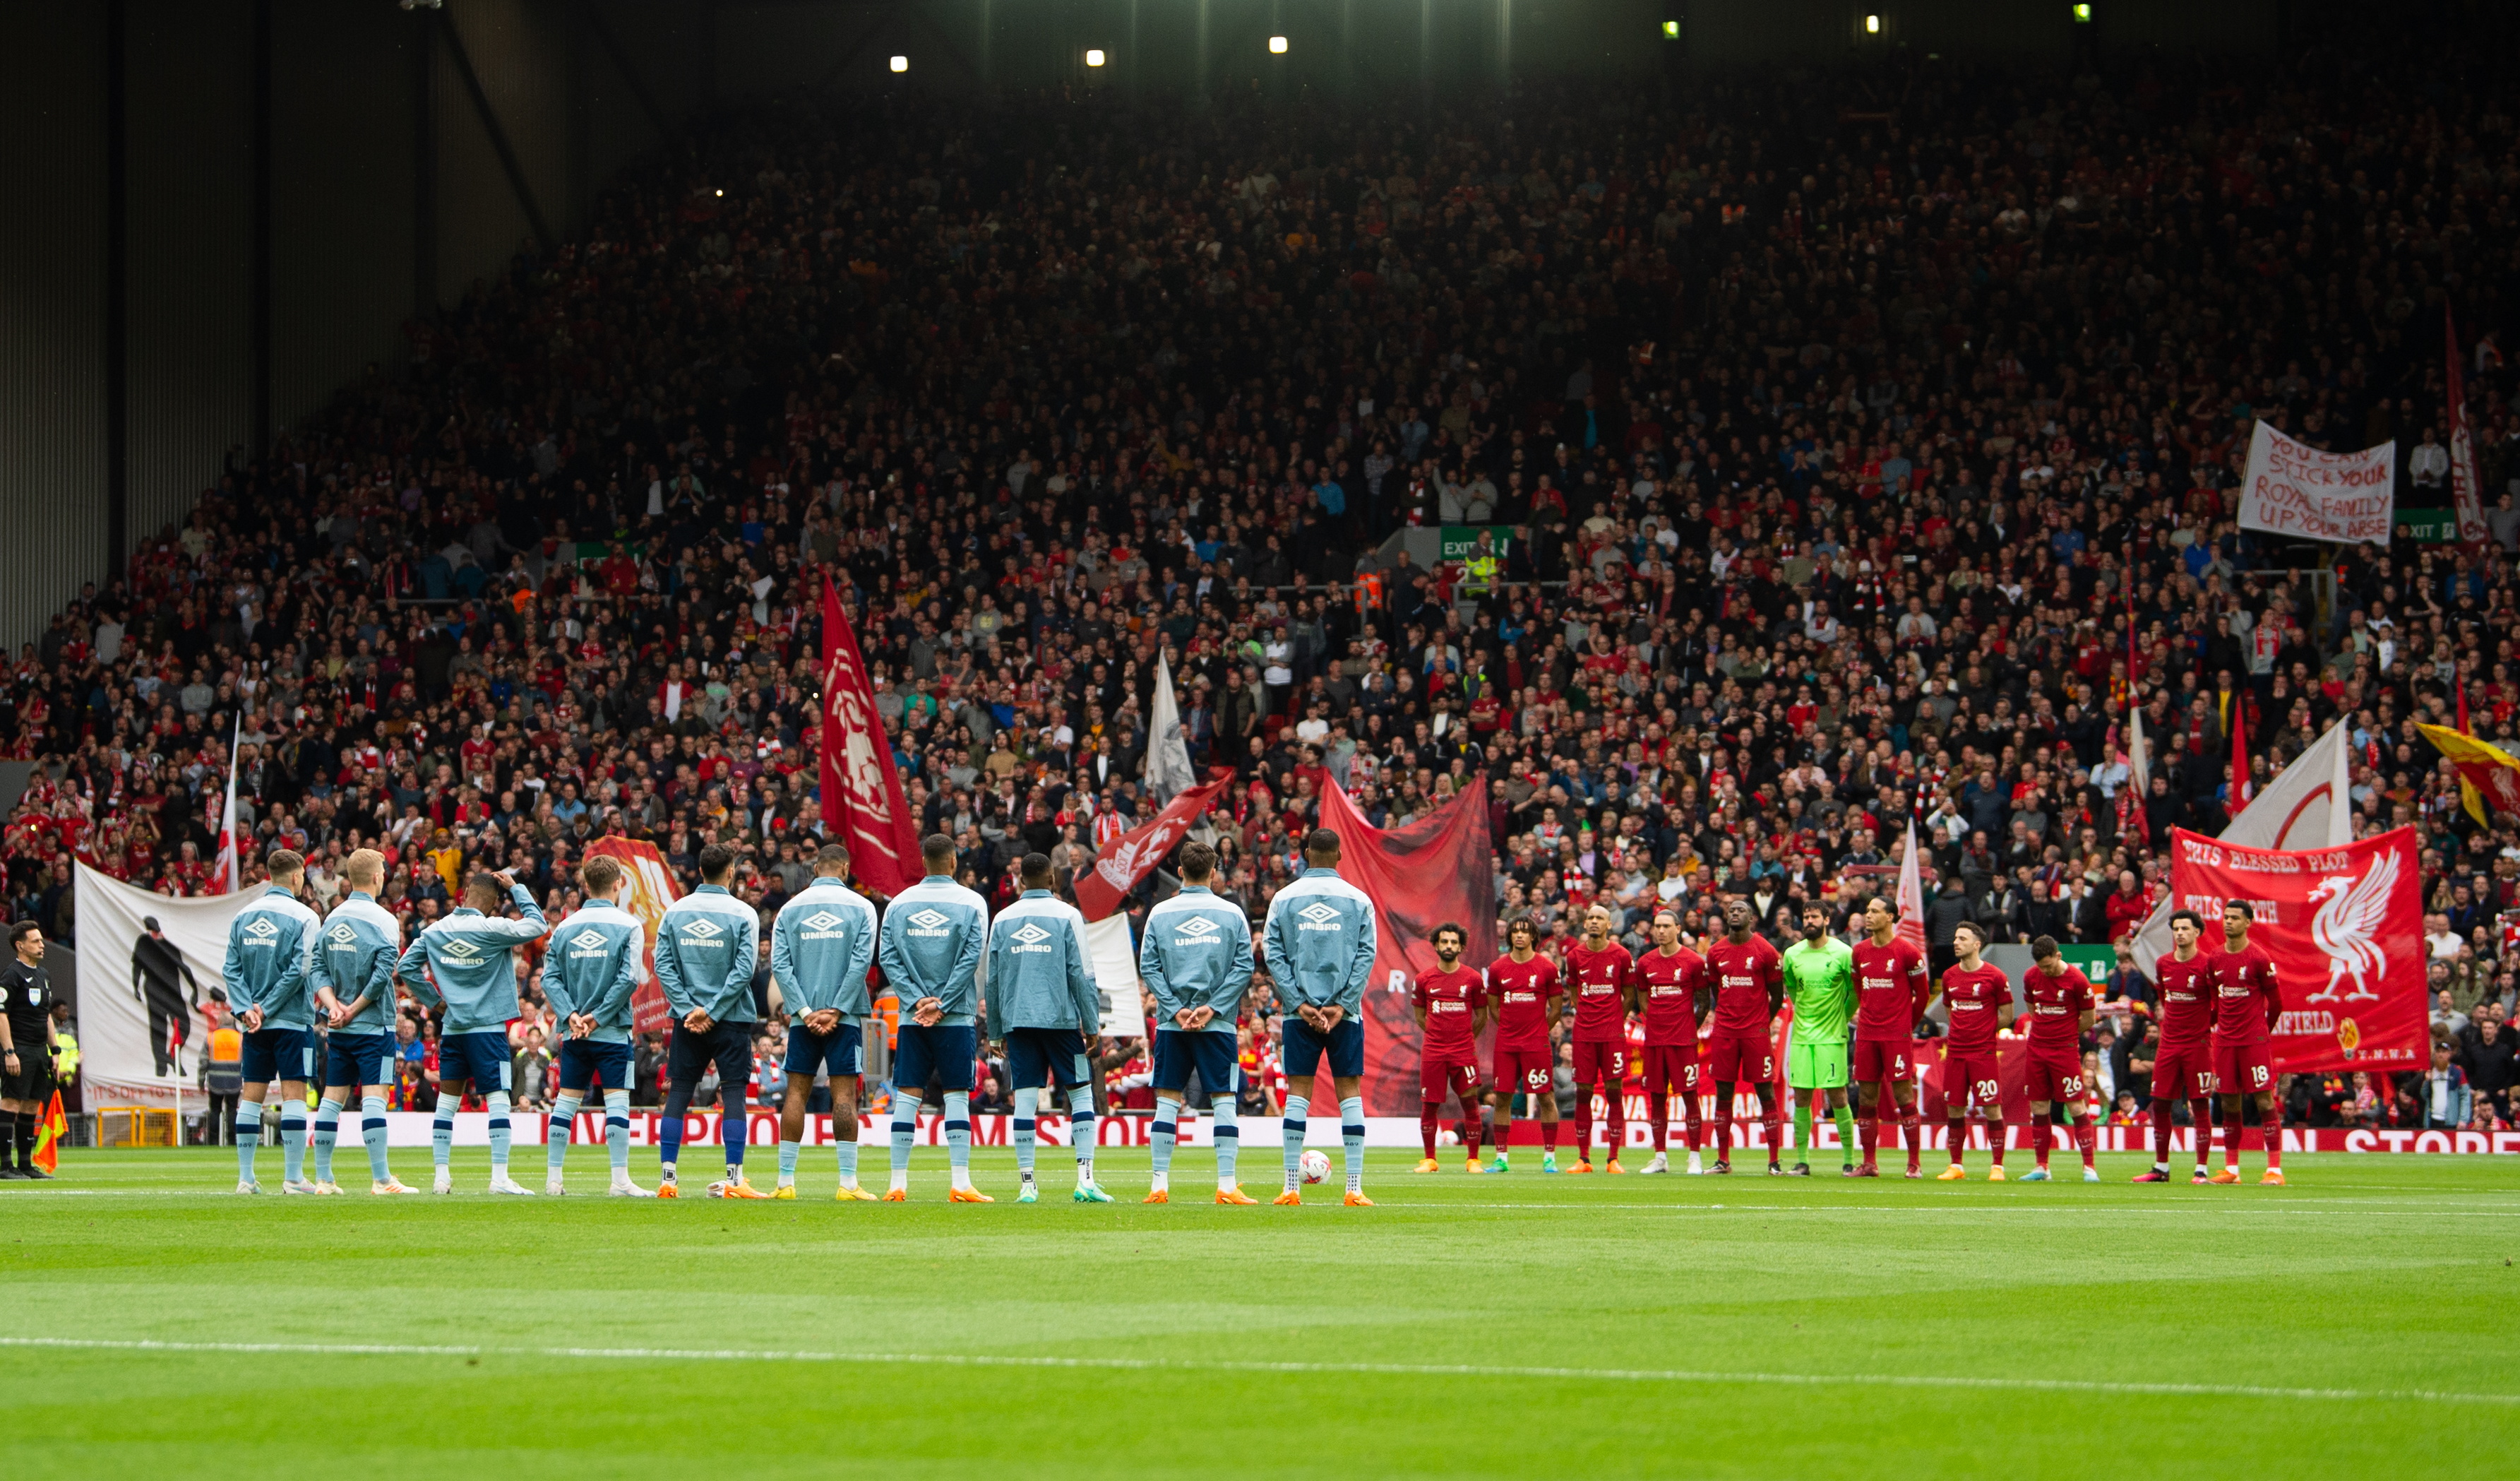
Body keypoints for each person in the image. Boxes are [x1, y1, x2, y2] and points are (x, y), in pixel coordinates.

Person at [395, 867, 550, 1195]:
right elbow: (538, 925)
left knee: (447, 1105)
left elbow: (406, 967)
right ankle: (499, 1178)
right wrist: (517, 888)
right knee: (497, 1101)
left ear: (464, 895)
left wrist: (436, 1003)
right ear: (494, 904)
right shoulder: (493, 928)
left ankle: (441, 1178)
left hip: (452, 1030)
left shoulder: (436, 932)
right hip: (488, 1030)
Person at [1260, 826, 1379, 1206]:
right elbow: (1366, 954)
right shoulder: (1359, 899)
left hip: (1299, 1015)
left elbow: (1273, 953)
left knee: (1297, 1095)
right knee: (1350, 1095)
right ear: (1340, 856)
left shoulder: (1284, 898)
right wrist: (1343, 1004)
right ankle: (1354, 1189)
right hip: (1346, 1015)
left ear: (1306, 853)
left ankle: (1291, 1187)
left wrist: (1298, 1003)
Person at [984, 851, 1110, 1205]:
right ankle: (1085, 1179)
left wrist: (995, 1031)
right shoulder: (1068, 916)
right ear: (1053, 879)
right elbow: (1082, 974)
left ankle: (1027, 1185)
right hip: (1062, 1022)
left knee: (1024, 1100)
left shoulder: (1003, 919)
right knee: (1081, 1093)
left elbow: (992, 981)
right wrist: (1091, 1024)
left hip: (1019, 1022)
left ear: (1021, 881)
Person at [1138, 840, 1260, 1203]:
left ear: (1180, 872)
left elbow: (1149, 967)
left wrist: (1176, 1009)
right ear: (1213, 873)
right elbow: (1244, 967)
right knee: (1224, 1099)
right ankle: (1226, 1186)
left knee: (1167, 1101)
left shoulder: (1160, 913)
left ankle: (1159, 1185)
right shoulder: (1232, 913)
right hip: (1217, 1025)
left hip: (1172, 1024)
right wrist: (1213, 1008)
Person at [878, 833, 992, 1202]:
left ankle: (897, 1183)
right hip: (955, 1016)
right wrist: (941, 1003)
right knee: (957, 1094)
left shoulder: (899, 904)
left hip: (913, 1018)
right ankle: (960, 1183)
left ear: (923, 863)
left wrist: (915, 1001)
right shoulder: (972, 902)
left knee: (908, 1095)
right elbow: (972, 958)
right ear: (954, 862)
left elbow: (889, 958)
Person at [653, 843, 766, 1198]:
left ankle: (668, 1180)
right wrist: (714, 1011)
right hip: (731, 1019)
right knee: (733, 1092)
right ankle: (733, 1180)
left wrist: (690, 1010)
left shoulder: (675, 912)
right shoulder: (744, 913)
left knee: (680, 1092)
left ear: (700, 871)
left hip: (687, 1022)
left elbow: (663, 966)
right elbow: (744, 970)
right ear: (731, 872)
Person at [767, 843, 879, 1201]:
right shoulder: (863, 908)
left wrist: (804, 1011)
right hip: (843, 1020)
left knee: (795, 1093)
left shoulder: (789, 909)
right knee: (844, 1094)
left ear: (816, 870)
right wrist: (837, 1010)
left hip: (803, 1021)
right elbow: (861, 964)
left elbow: (780, 966)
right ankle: (847, 1184)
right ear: (845, 870)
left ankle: (785, 1183)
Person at [538, 853, 654, 1197]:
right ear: (618, 883)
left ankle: (553, 1179)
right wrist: (598, 1016)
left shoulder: (565, 927)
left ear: (586, 885)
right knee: (616, 1104)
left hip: (574, 1031)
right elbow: (629, 980)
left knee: (565, 1103)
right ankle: (619, 1181)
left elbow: (550, 977)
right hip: (612, 1030)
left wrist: (571, 1014)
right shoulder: (629, 926)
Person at [306, 848, 416, 1194]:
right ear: (375, 877)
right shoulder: (382, 919)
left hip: (339, 1027)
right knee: (374, 1099)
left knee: (331, 1100)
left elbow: (318, 968)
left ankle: (324, 1178)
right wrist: (353, 1008)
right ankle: (381, 1179)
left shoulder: (332, 918)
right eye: (383, 871)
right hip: (372, 1025)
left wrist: (333, 1006)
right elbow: (385, 971)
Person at [219, 850, 323, 1194]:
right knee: (294, 1094)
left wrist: (247, 1008)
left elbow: (230, 969)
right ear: (296, 877)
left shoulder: (243, 916)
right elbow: (301, 969)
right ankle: (293, 1177)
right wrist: (267, 1007)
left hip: (253, 1025)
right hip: (291, 1020)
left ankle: (245, 1178)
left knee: (251, 1097)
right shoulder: (306, 917)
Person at [1848, 894, 1931, 1179]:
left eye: (1875, 911)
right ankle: (1869, 1163)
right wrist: (1868, 1012)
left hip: (1896, 1034)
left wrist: (1907, 1024)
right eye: (1867, 910)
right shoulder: (1859, 951)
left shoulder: (1907, 951)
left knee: (1903, 1096)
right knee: (1867, 1097)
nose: (1868, 915)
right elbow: (1859, 987)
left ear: (1891, 917)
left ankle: (1914, 1164)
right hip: (1868, 1034)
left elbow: (1924, 995)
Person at [2135, 910, 2220, 1183]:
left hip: (2197, 1044)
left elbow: (2218, 1005)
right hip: (2169, 1044)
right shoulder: (2163, 964)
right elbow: (2164, 995)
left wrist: (2202, 1027)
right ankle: (2161, 1168)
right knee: (2160, 1103)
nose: (2180, 933)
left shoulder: (2208, 965)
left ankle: (2202, 1169)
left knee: (2200, 1105)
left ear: (2198, 932)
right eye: (2176, 929)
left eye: (2185, 928)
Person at [1702, 896, 1785, 1175]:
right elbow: (1716, 990)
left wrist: (1761, 1022)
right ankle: (1723, 1160)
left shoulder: (1766, 951)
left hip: (1755, 1032)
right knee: (1723, 1093)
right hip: (1725, 1031)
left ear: (1751, 918)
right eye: (1731, 910)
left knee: (1765, 1091)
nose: (1735, 913)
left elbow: (1776, 996)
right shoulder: (1715, 952)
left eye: (1741, 910)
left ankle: (1774, 1161)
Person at [2207, 900, 2286, 1186]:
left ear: (2248, 922)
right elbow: (2216, 1001)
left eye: (2235, 918)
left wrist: (2263, 1032)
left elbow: (2276, 1003)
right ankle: (2232, 1169)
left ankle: (2275, 1170)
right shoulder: (2214, 958)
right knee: (2228, 1102)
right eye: (2226, 917)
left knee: (2264, 1099)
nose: (2228, 922)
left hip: (2253, 1041)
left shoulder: (2259, 958)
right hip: (2225, 1041)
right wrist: (2208, 1026)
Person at [1780, 901, 1858, 1177]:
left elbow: (1855, 992)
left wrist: (1842, 1016)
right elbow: (1792, 989)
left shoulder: (1843, 953)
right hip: (1802, 1037)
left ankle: (1849, 1161)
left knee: (1837, 1096)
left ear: (1827, 920)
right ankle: (1802, 1161)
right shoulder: (1792, 954)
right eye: (1805, 917)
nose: (1809, 921)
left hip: (1832, 1038)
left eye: (1814, 916)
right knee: (1801, 1097)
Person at [1933, 921, 2014, 1181]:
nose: (1956, 943)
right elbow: (1950, 1011)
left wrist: (1983, 1029)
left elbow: (2007, 1015)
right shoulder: (1949, 976)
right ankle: (1956, 1164)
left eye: (1963, 939)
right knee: (1954, 1108)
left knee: (1992, 1107)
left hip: (1983, 1052)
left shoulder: (1995, 976)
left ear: (1977, 945)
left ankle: (1997, 1166)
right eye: (1956, 938)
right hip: (1956, 1051)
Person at [1483, 915, 1564, 1173]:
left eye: (1525, 931)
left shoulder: (1547, 968)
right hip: (1506, 1043)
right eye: (1515, 931)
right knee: (1502, 1099)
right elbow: (1493, 1008)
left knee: (1546, 1097)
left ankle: (1550, 1157)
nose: (1519, 935)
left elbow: (1556, 1009)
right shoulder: (1497, 968)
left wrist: (1539, 1031)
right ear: (1509, 937)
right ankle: (1501, 1158)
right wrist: (1510, 1027)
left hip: (1536, 1043)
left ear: (1533, 937)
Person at [2017, 935, 2099, 1183]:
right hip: (2037, 1049)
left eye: (2049, 966)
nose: (2045, 971)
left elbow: (2089, 1018)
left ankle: (2089, 1167)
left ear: (2058, 956)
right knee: (2039, 1106)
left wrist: (2065, 1034)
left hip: (2064, 1050)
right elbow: (2033, 1010)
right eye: (2041, 967)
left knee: (2075, 1105)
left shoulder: (2077, 980)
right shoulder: (2031, 976)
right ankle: (2042, 1166)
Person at [1561, 903, 1637, 1172]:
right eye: (1590, 917)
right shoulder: (1574, 957)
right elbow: (1572, 990)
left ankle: (1613, 1158)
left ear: (1609, 925)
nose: (1594, 921)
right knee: (1583, 1092)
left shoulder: (1622, 955)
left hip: (1611, 1034)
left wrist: (1616, 1019)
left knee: (1615, 1092)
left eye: (1599, 918)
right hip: (1584, 1034)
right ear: (1584, 924)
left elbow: (1629, 994)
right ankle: (1583, 1158)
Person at [1633, 906, 1707, 1174]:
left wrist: (1688, 1028)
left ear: (1678, 929)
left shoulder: (1694, 962)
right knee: (1656, 1098)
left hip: (1682, 1041)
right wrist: (1652, 1020)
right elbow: (1642, 996)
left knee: (1690, 1096)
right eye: (1657, 926)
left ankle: (1695, 1157)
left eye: (1666, 926)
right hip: (1655, 1041)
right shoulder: (1645, 963)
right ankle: (1660, 1157)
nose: (1661, 931)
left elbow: (1703, 1003)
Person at [1410, 920, 1488, 1174]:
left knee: (1470, 1103)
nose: (1449, 946)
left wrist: (1463, 1037)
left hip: (1464, 1051)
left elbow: (1482, 1017)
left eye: (1454, 942)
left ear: (1461, 946)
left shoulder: (1473, 978)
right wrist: (1438, 1035)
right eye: (1444, 941)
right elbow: (1420, 1017)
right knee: (1430, 1105)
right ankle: (1430, 1159)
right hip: (1434, 1051)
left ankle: (1473, 1159)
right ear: (1435, 945)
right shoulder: (1423, 979)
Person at [0, 921, 61, 1180]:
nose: (41, 944)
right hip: (20, 1049)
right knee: (11, 1103)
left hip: (39, 1051)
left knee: (32, 1105)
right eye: (35, 941)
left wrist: (55, 1049)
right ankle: (4, 1166)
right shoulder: (11, 975)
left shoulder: (43, 975)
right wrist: (9, 1052)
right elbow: (1, 1014)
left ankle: (25, 1165)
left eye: (41, 940)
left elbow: (46, 1015)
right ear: (20, 945)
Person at [129, 915, 201, 1078]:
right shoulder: (144, 941)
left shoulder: (169, 943)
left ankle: (173, 1057)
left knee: (184, 1025)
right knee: (157, 1027)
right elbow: (137, 966)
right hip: (153, 989)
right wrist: (136, 987)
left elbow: (184, 967)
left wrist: (195, 989)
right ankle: (161, 1066)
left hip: (173, 991)